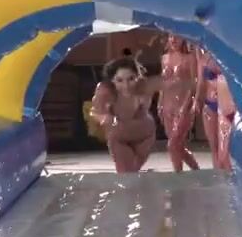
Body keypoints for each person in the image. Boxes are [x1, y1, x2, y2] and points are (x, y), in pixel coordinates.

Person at [89, 58, 160, 173]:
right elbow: (94, 112)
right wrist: (104, 118)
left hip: (144, 135)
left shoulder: (144, 87)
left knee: (133, 172)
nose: (126, 85)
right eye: (119, 80)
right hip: (119, 136)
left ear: (138, 77)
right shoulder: (105, 91)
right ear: (112, 80)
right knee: (124, 173)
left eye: (131, 79)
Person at [158, 35, 201, 172]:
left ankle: (178, 175)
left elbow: (193, 84)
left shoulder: (190, 58)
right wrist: (159, 102)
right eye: (171, 36)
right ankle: (196, 171)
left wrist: (186, 105)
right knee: (177, 146)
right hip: (167, 105)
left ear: (183, 39)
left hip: (184, 105)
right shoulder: (164, 58)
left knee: (172, 144)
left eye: (177, 37)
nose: (174, 40)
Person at [196, 48, 232, 170]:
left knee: (225, 151)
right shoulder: (203, 58)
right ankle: (218, 175)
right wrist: (196, 100)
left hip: (225, 105)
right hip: (210, 103)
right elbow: (201, 82)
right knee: (214, 147)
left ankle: (228, 175)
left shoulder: (227, 56)